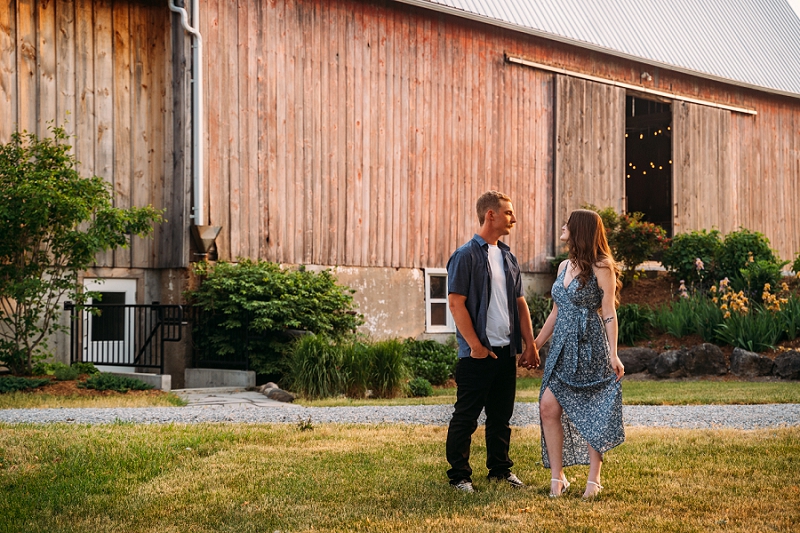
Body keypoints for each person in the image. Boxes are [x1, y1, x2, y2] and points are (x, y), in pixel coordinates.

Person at [520, 208, 625, 498]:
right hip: (561, 348)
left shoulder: (602, 266)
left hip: (590, 344)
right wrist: (535, 345)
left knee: (592, 408)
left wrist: (613, 354)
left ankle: (594, 478)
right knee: (548, 407)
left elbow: (609, 311)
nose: (563, 227)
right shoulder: (563, 266)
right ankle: (558, 478)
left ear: (580, 229)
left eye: (568, 223)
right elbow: (557, 311)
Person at [445, 190, 539, 493]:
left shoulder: (508, 257)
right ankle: (459, 477)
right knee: (466, 418)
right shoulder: (465, 256)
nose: (514, 218)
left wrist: (530, 343)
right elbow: (455, 303)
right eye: (509, 212)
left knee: (501, 418)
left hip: (505, 352)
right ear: (491, 215)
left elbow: (520, 303)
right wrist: (475, 346)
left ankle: (500, 470)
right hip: (477, 355)